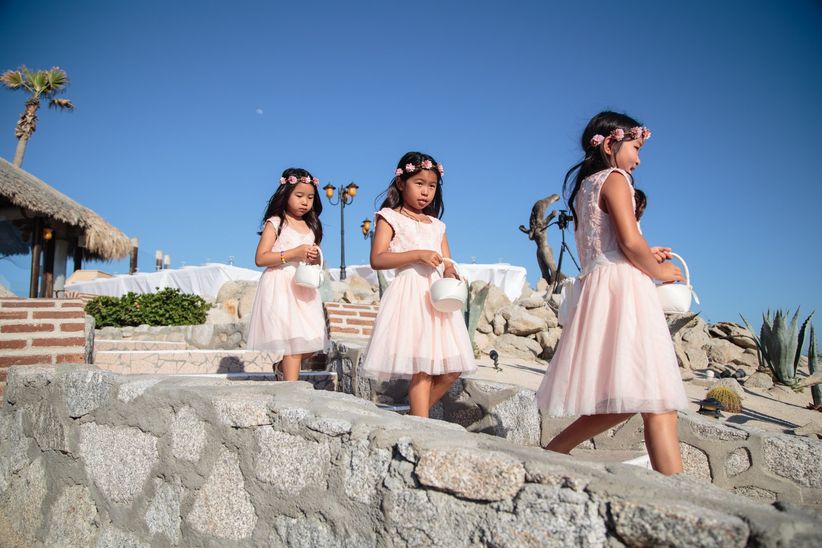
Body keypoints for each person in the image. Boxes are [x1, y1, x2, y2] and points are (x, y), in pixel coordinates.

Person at [536, 111, 688, 475]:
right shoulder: (617, 179)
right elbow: (631, 242)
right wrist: (660, 271)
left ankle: (553, 453)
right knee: (657, 398)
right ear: (610, 144)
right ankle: (681, 495)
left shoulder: (586, 187)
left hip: (602, 286)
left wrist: (644, 254)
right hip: (626, 291)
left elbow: (607, 246)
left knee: (634, 397)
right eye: (635, 147)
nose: (638, 158)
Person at [362, 151, 476, 417]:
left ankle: (414, 417)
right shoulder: (389, 216)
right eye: (419, 183)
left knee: (451, 369)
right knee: (422, 367)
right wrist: (417, 254)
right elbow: (377, 259)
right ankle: (420, 423)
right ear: (401, 183)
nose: (426, 192)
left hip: (437, 297)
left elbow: (447, 259)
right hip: (411, 293)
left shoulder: (437, 225)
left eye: (432, 186)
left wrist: (450, 271)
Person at [246, 167, 327, 381]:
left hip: (304, 287)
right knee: (294, 341)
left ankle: (282, 367)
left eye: (310, 197)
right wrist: (293, 253)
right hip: (281, 285)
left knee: (313, 341)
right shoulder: (276, 222)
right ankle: (291, 390)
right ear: (286, 194)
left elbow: (312, 256)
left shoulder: (312, 226)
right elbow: (261, 258)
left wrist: (313, 257)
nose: (305, 202)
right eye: (299, 195)